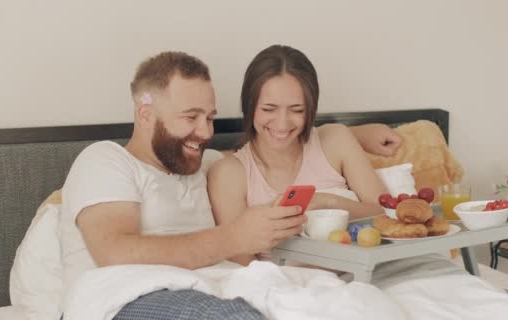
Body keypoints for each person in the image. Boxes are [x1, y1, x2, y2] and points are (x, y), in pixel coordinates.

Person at [59, 51, 401, 319]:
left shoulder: (202, 163)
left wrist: (358, 134)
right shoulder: (105, 160)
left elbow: (273, 145)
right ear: (145, 114)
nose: (206, 132)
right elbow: (115, 252)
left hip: (208, 288)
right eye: (191, 117)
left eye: (209, 118)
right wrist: (235, 237)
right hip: (124, 297)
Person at [208, 45, 389, 266]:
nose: (282, 124)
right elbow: (243, 266)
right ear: (250, 106)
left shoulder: (336, 140)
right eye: (268, 109)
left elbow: (385, 215)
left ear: (310, 109)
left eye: (296, 110)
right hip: (284, 292)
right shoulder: (228, 174)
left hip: (363, 275)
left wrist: (326, 202)